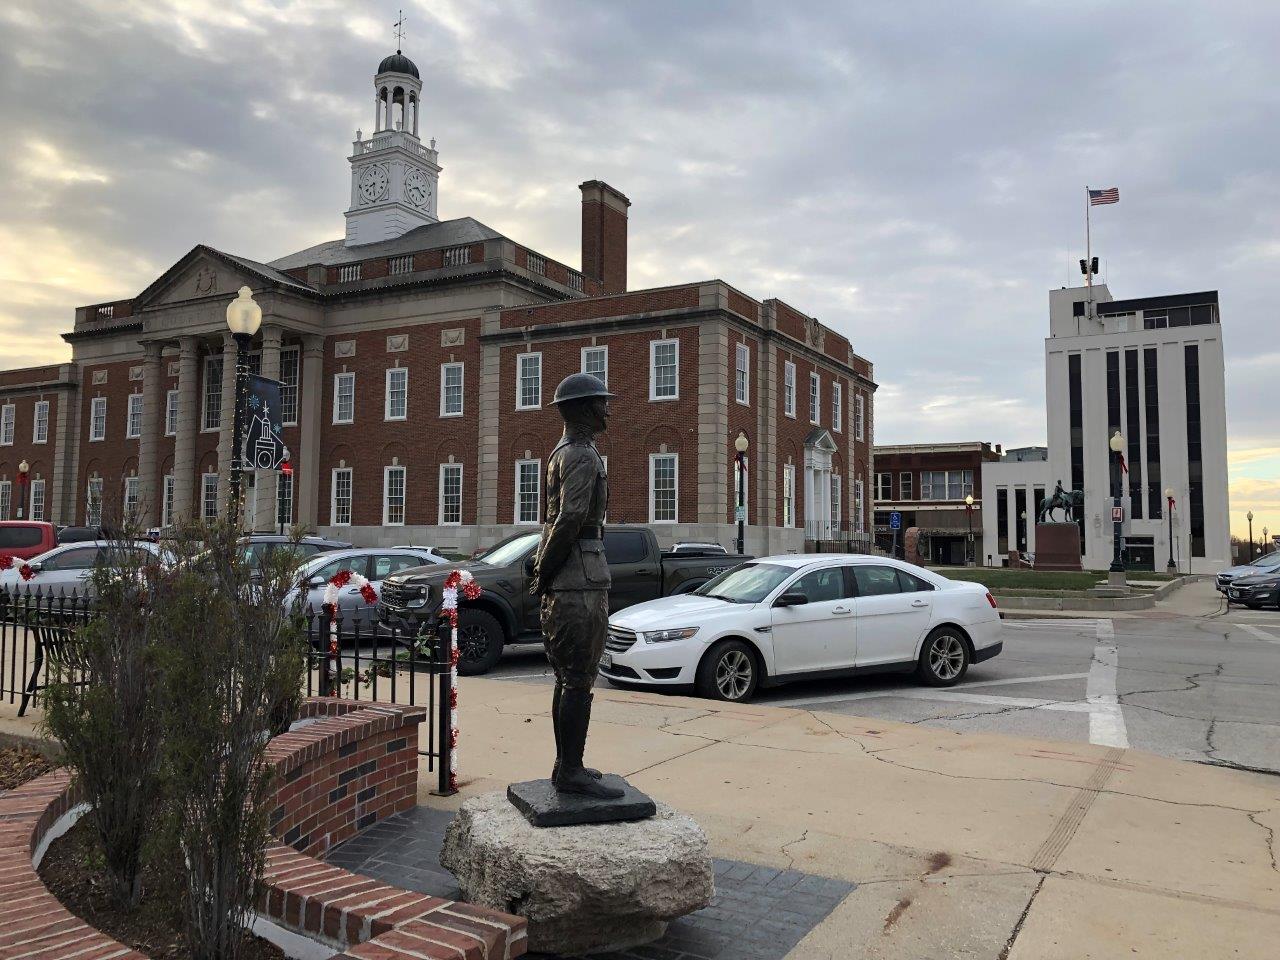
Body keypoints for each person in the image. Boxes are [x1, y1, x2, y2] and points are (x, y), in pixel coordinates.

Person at [530, 373, 622, 800]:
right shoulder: (582, 456)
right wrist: (545, 572)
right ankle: (570, 769)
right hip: (578, 578)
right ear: (585, 409)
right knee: (579, 679)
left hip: (567, 576)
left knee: (567, 678)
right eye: (602, 402)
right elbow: (568, 519)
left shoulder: (561, 453)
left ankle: (566, 763)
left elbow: (552, 522)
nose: (608, 409)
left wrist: (543, 570)